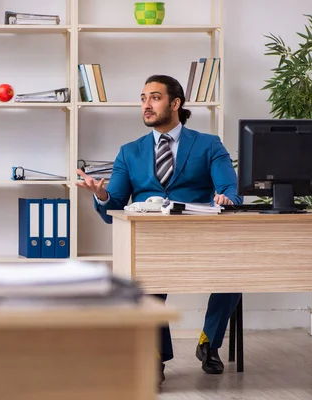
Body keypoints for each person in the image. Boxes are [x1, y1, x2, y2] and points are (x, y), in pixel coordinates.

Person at [76, 75, 242, 384]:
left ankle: (208, 342)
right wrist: (101, 196)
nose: (146, 105)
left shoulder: (208, 145)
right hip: (150, 241)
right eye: (143, 98)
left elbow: (231, 190)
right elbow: (115, 206)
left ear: (175, 103)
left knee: (232, 275)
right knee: (145, 283)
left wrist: (226, 198)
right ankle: (156, 356)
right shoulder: (129, 152)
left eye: (154, 97)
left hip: (200, 238)